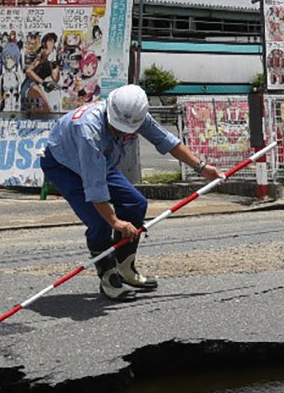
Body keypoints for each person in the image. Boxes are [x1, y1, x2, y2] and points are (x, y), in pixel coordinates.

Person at [39, 84, 215, 300]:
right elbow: (95, 185)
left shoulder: (137, 116)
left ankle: (125, 267)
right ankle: (108, 276)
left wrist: (201, 168)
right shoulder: (88, 129)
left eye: (127, 129)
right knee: (100, 221)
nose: (121, 132)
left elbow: (167, 141)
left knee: (136, 203)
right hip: (64, 165)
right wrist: (115, 222)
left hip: (102, 163)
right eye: (117, 127)